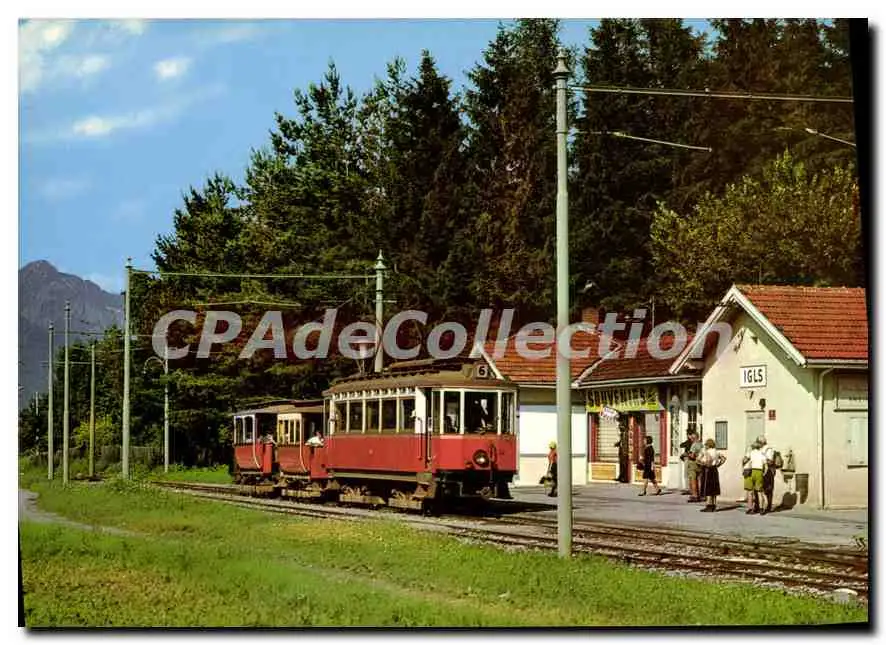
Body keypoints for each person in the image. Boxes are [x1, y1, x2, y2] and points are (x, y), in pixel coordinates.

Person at [697, 438, 726, 512]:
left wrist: (702, 463)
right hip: (714, 469)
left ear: (708, 445)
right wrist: (718, 465)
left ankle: (709, 505)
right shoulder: (717, 451)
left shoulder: (706, 452)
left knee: (708, 487)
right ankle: (714, 505)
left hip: (708, 470)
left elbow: (707, 461)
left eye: (706, 445)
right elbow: (723, 459)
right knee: (714, 488)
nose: (705, 446)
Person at [742, 440, 766, 514]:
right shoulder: (762, 454)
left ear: (753, 447)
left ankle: (750, 508)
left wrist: (743, 463)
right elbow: (765, 465)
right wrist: (763, 473)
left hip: (750, 471)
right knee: (760, 491)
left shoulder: (750, 453)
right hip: (759, 471)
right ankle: (761, 509)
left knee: (750, 491)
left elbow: (744, 460)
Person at [759, 435, 779, 514]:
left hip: (769, 470)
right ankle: (763, 505)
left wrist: (763, 458)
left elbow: (770, 461)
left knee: (768, 489)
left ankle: (768, 506)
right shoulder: (761, 449)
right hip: (762, 470)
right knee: (763, 488)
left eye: (759, 442)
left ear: (762, 442)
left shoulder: (769, 449)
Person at [684, 431, 703, 502]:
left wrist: (687, 454)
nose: (691, 439)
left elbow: (692, 455)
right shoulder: (701, 444)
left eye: (692, 438)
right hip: (700, 463)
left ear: (694, 438)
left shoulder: (694, 445)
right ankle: (700, 495)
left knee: (693, 480)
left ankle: (695, 495)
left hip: (693, 464)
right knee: (699, 480)